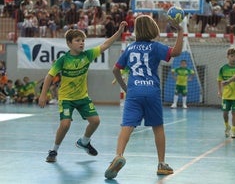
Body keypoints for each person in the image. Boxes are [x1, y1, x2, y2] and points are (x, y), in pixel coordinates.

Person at [104, 14, 184, 179]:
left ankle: (118, 155)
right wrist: (180, 31)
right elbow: (176, 52)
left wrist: (125, 87)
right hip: (152, 92)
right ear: (152, 29)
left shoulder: (131, 48)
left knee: (127, 126)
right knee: (158, 127)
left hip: (134, 92)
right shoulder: (155, 47)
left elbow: (115, 69)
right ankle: (161, 164)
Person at [38, 21, 128, 163]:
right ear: (69, 43)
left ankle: (84, 142)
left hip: (82, 97)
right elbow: (49, 76)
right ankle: (54, 150)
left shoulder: (87, 55)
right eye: (78, 40)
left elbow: (105, 45)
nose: (81, 43)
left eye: (83, 41)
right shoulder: (63, 60)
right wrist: (43, 94)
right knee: (65, 125)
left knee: (95, 121)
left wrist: (119, 32)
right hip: (66, 98)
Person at [217, 47, 235, 138]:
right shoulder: (223, 68)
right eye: (232, 56)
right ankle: (227, 127)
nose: (233, 58)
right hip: (226, 96)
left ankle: (234, 131)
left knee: (234, 113)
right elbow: (219, 80)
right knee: (225, 113)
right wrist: (219, 91)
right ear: (228, 57)